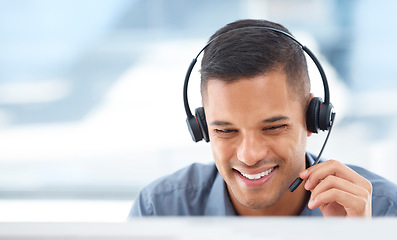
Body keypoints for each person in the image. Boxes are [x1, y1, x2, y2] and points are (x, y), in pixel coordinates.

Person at [129, 19, 397, 217]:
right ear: (202, 127)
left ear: (312, 119)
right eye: (225, 131)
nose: (249, 156)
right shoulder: (159, 210)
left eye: (273, 127)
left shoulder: (381, 211)